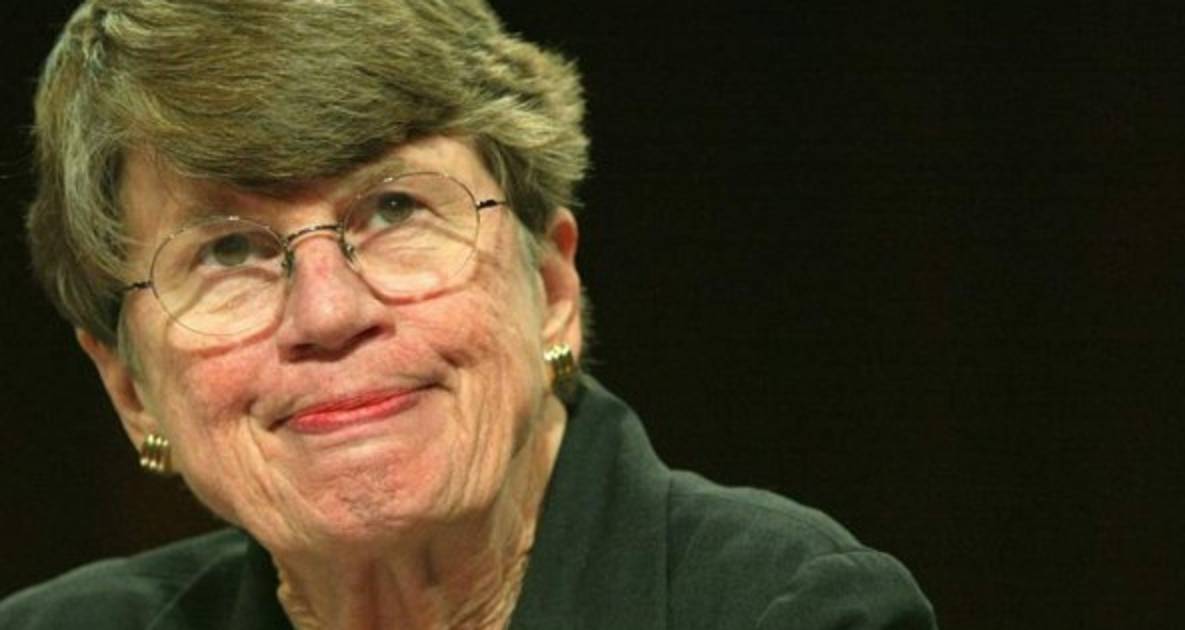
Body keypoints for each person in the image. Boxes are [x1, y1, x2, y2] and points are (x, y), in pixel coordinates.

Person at [0, 1, 937, 628]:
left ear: (553, 288)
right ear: (130, 389)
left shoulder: (785, 610)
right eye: (228, 252)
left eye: (395, 210)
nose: (328, 311)